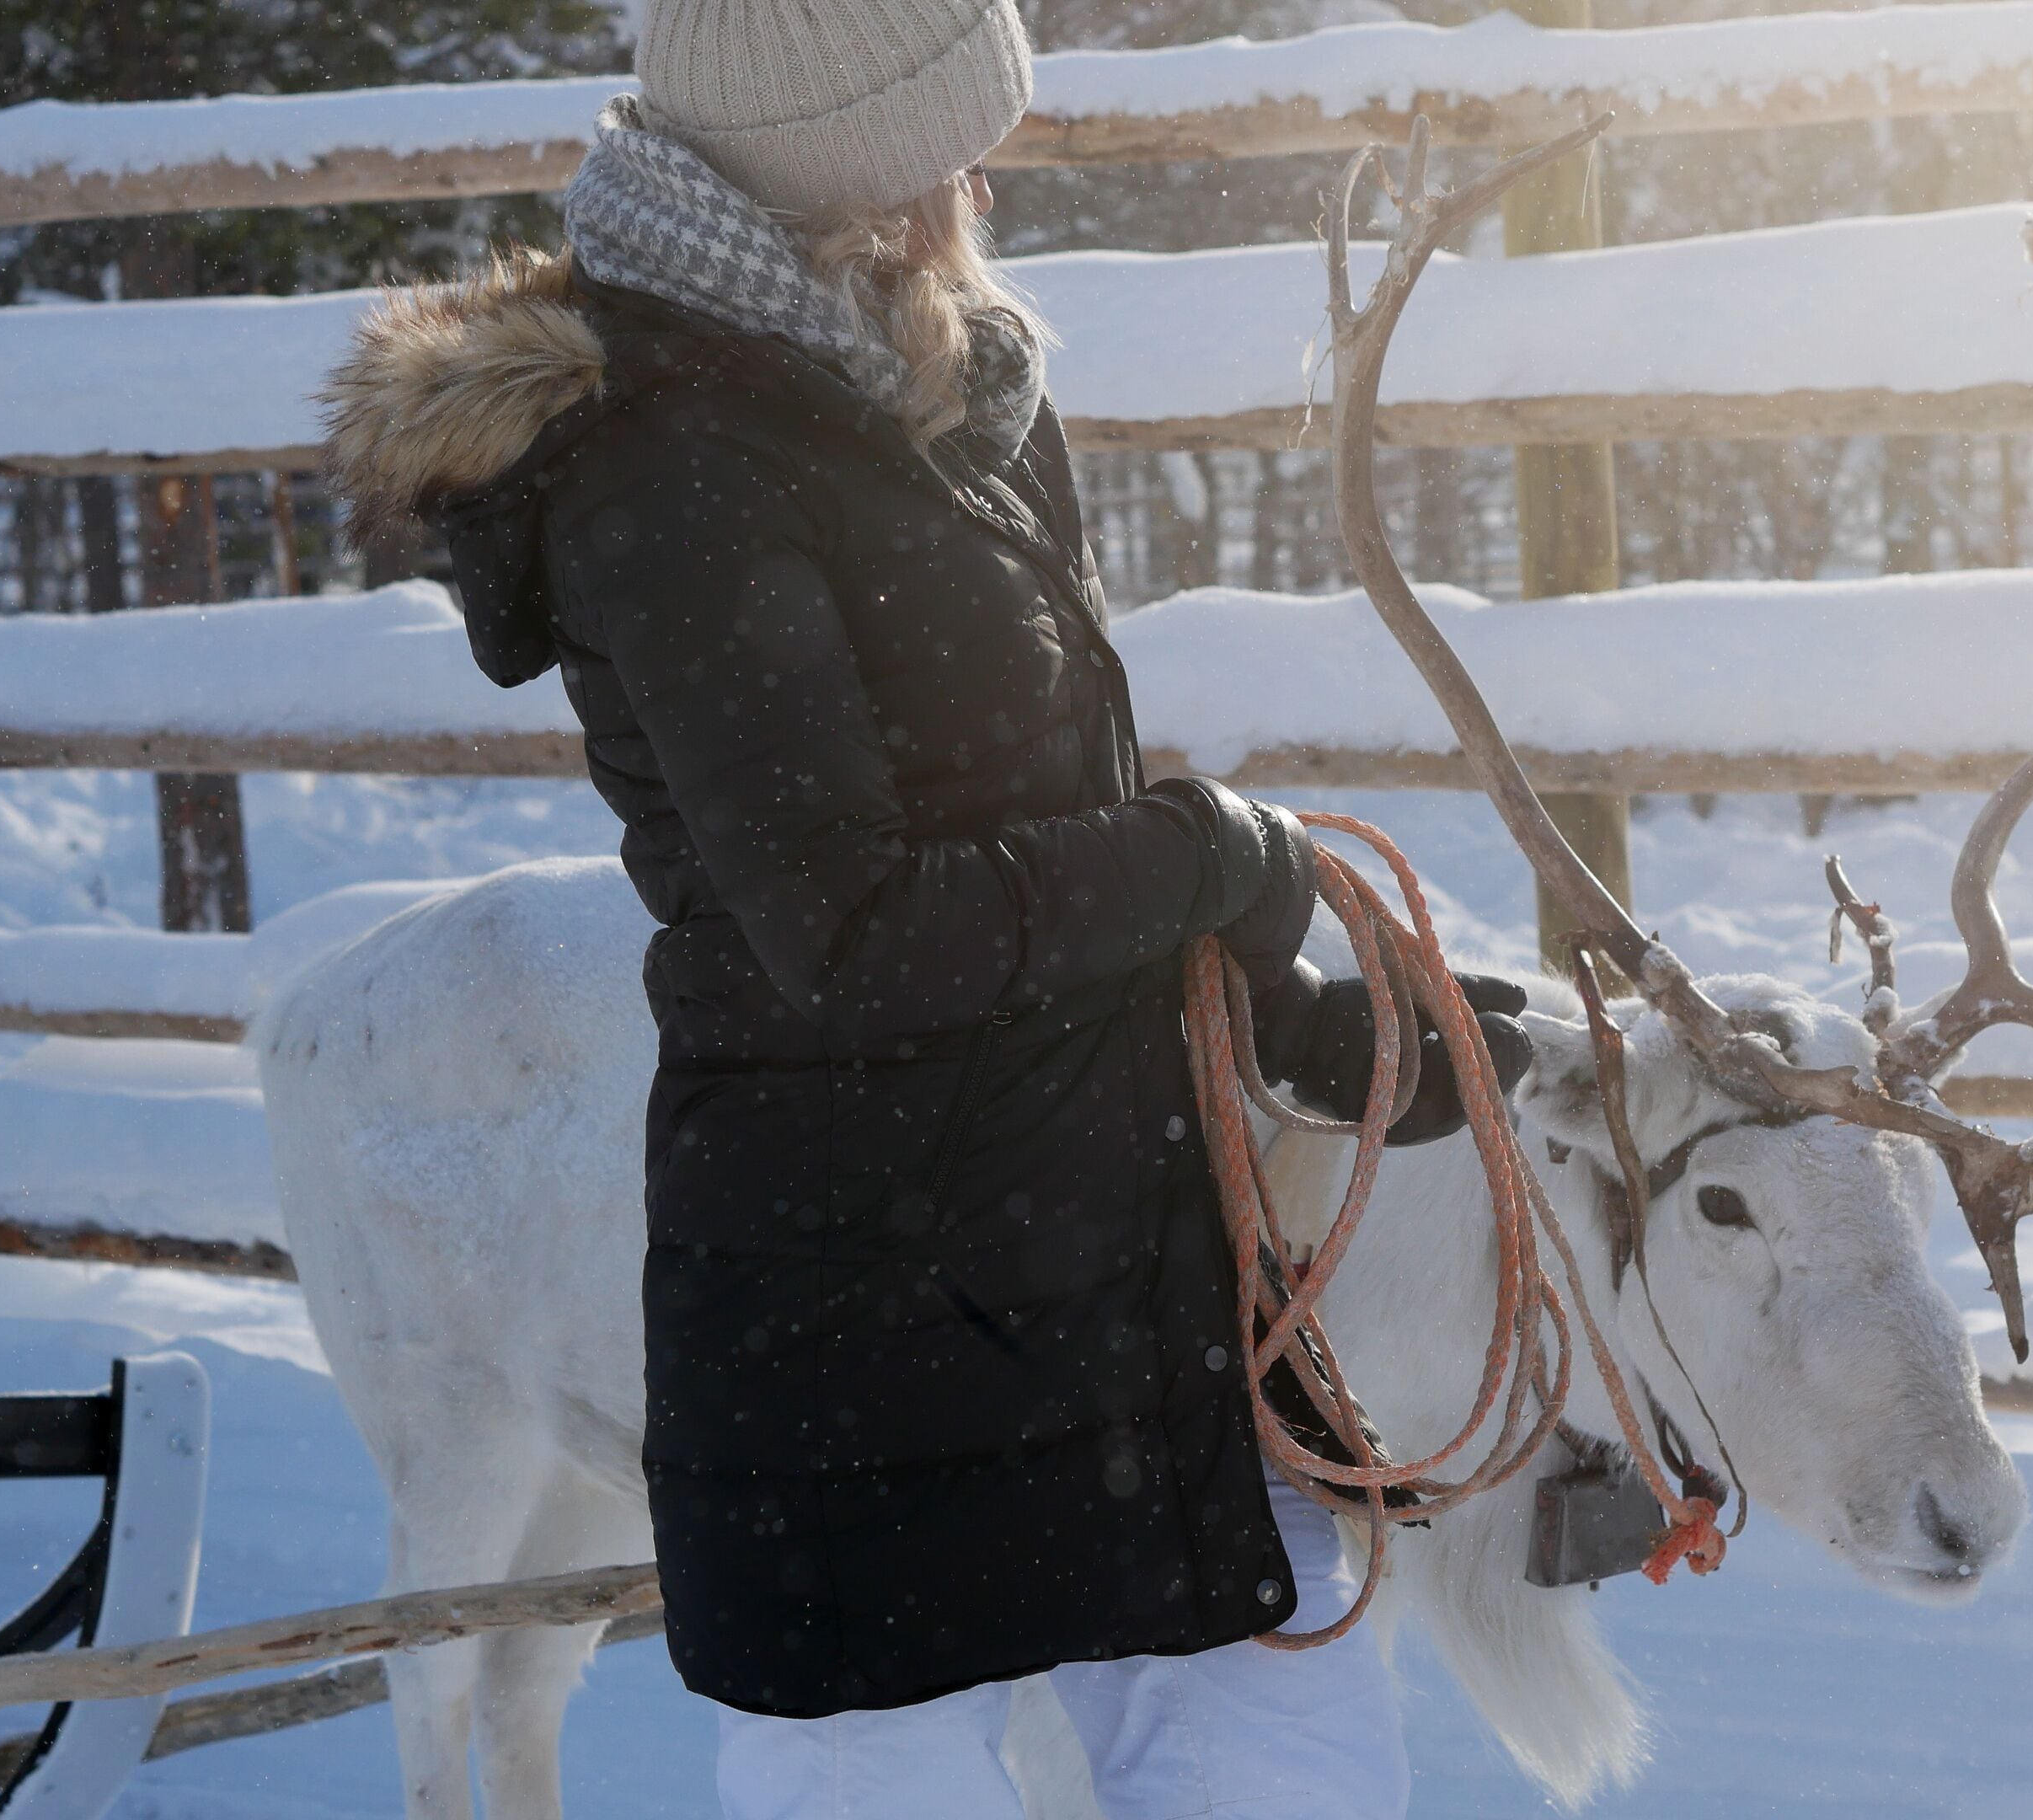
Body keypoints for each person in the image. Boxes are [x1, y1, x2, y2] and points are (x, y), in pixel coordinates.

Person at [320, 1, 1535, 1811]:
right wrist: (1214, 853)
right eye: (950, 144)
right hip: (858, 1326)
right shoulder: (673, 472)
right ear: (845, 168)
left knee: (1307, 1768)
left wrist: (1286, 1020)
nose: (982, 183)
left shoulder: (953, 382)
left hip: (1115, 1271)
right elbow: (856, 931)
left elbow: (1053, 808)